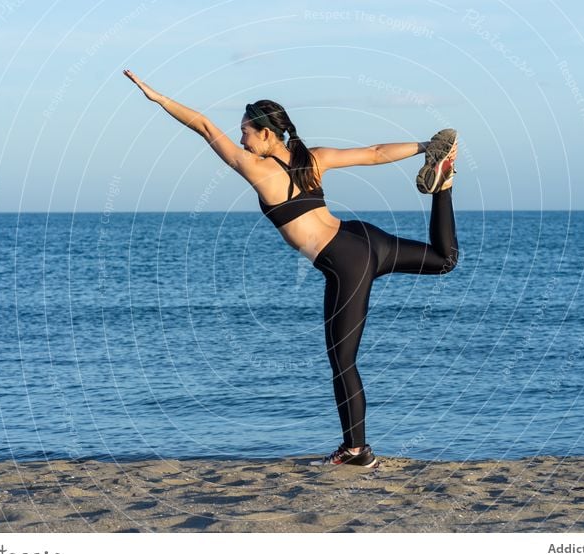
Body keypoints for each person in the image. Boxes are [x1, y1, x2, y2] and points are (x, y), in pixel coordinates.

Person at [124, 70, 459, 469]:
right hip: (365, 238)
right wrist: (426, 146)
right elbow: (374, 152)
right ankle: (444, 184)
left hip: (345, 261)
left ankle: (357, 450)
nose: (242, 138)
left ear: (266, 133)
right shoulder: (314, 158)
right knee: (444, 260)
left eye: (246, 131)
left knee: (342, 359)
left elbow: (200, 124)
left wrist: (158, 98)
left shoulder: (256, 168)